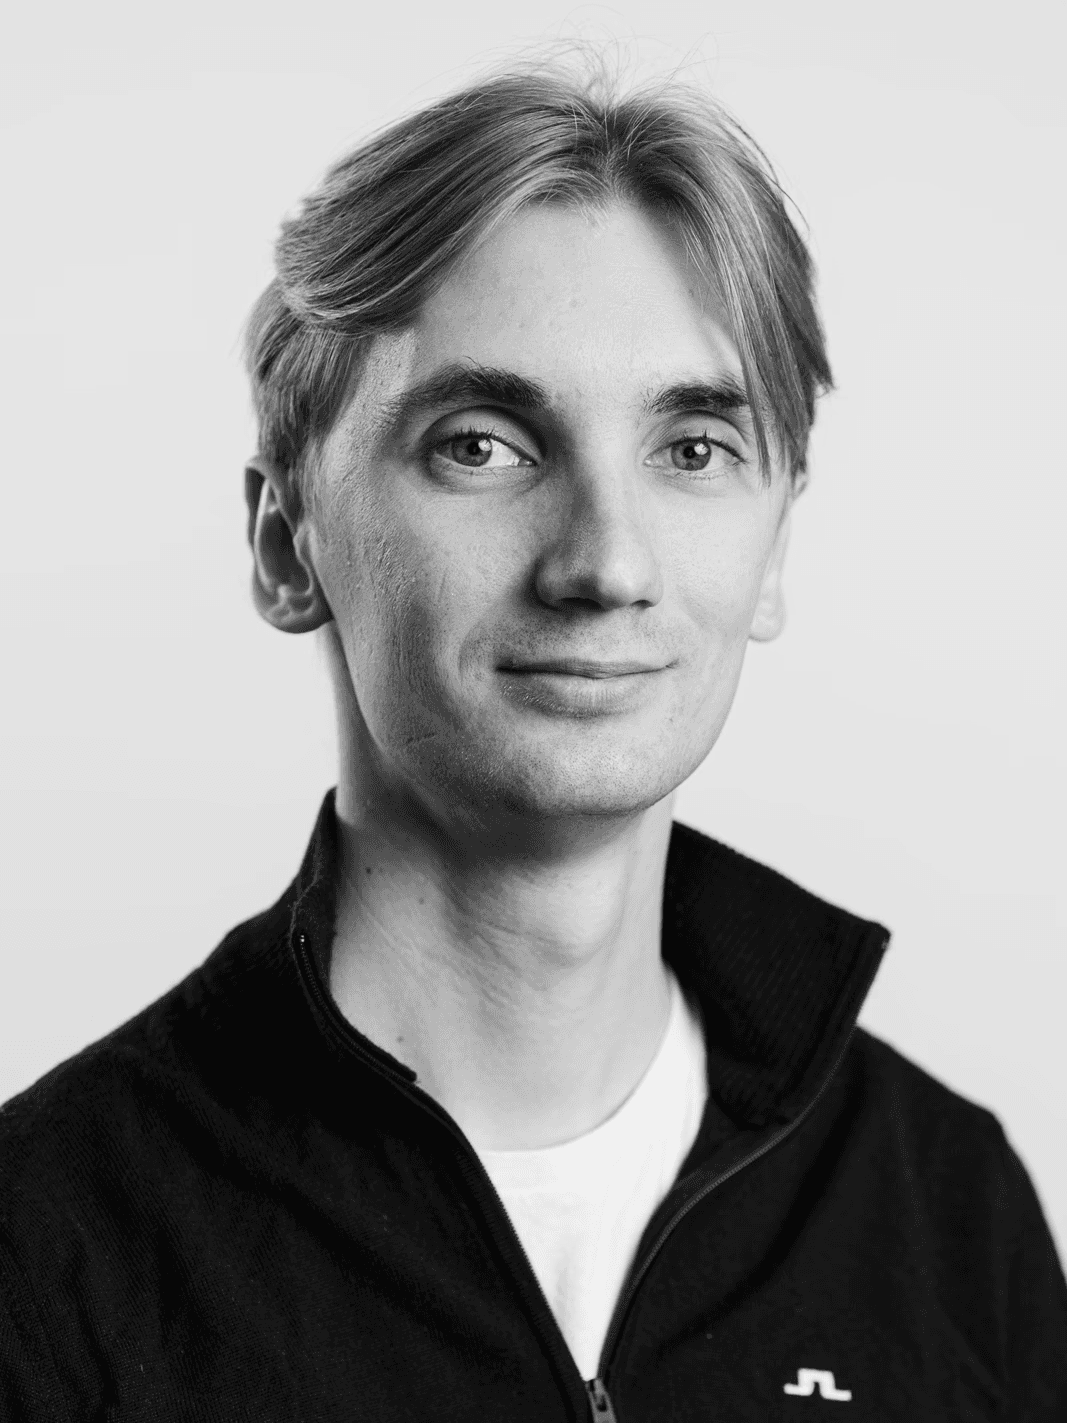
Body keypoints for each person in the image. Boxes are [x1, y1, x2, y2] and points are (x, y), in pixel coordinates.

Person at [1, 50, 1064, 1423]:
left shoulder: (947, 1213)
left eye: (691, 449)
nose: (606, 562)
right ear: (284, 542)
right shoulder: (49, 1250)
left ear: (776, 546)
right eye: (484, 444)